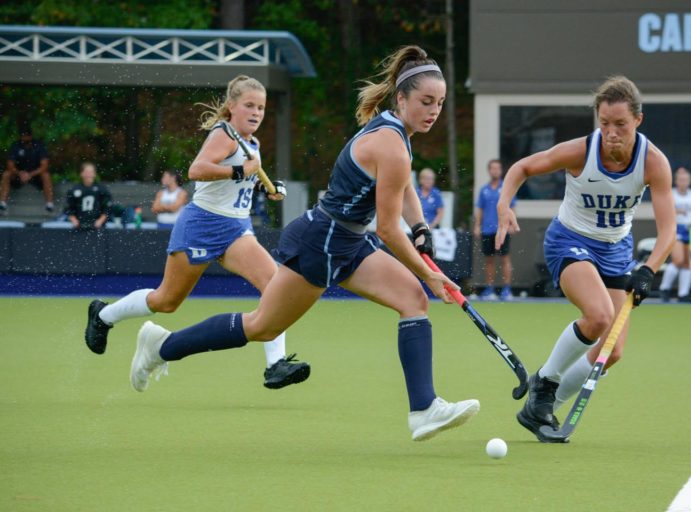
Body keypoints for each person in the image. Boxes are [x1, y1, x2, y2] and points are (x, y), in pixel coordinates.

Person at [127, 46, 479, 441]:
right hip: (322, 242)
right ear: (401, 98)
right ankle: (161, 346)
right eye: (426, 101)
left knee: (412, 300)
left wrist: (421, 228)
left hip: (348, 240)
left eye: (441, 103)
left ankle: (424, 409)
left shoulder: (395, 130)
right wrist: (428, 272)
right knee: (261, 326)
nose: (434, 110)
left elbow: (401, 184)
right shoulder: (391, 142)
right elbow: (387, 229)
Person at [84, 75, 310, 390]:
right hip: (202, 225)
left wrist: (267, 187)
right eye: (249, 105)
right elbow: (197, 170)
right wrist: (239, 171)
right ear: (232, 106)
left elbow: (242, 178)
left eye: (261, 107)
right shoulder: (225, 134)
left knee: (274, 286)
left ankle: (275, 365)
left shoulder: (251, 143)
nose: (256, 112)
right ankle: (104, 315)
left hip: (236, 229)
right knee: (167, 300)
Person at [495, 76, 675, 442]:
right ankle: (545, 380)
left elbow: (668, 230)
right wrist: (503, 205)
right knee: (598, 316)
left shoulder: (653, 163)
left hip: (616, 251)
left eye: (620, 124)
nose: (611, 133)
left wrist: (648, 270)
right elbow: (522, 168)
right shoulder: (581, 151)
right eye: (604, 123)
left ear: (638, 120)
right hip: (570, 242)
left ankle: (541, 408)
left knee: (611, 351)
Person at [659, 167, 691, 303]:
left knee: (688, 262)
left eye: (686, 180)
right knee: (678, 259)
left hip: (690, 230)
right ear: (676, 181)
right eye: (680, 180)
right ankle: (664, 288)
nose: (683, 182)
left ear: (689, 181)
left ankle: (683, 294)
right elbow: (665, 211)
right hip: (676, 229)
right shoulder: (671, 194)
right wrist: (677, 212)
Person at [474, 159, 516, 301]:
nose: (495, 171)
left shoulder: (506, 187)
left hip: (502, 229)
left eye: (498, 168)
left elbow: (512, 206)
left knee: (504, 259)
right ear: (489, 170)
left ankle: (506, 290)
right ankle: (489, 289)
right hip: (487, 230)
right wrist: (477, 225)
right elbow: (480, 209)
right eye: (493, 168)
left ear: (501, 170)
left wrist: (510, 224)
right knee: (489, 260)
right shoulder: (483, 190)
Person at [0, 123, 55, 215]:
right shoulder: (16, 146)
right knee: (6, 174)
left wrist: (30, 174)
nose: (25, 138)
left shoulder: (39, 146)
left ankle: (49, 204)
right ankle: (2, 203)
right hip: (19, 176)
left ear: (31, 136)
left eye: (26, 136)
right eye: (23, 136)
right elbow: (10, 165)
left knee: (46, 175)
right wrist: (20, 173)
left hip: (35, 176)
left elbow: (44, 166)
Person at [65, 162, 112, 230]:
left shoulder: (101, 189)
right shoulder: (74, 189)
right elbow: (69, 208)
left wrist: (100, 221)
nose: (88, 174)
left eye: (91, 172)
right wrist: (74, 221)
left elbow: (107, 207)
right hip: (79, 226)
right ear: (81, 173)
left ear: (94, 174)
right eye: (86, 172)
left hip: (98, 226)